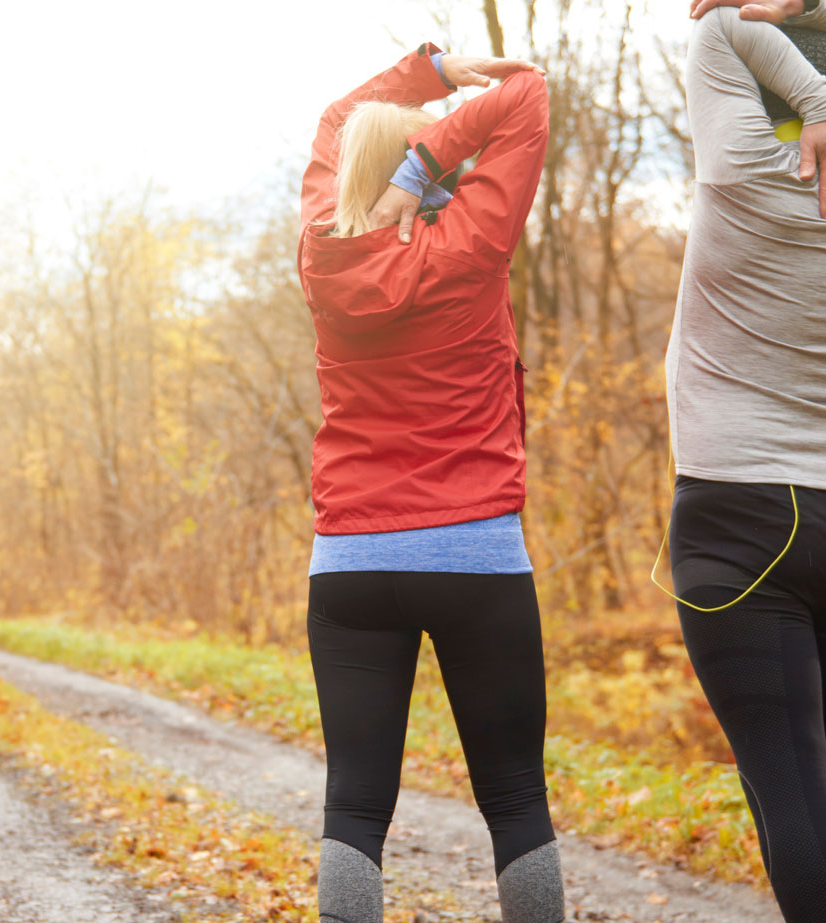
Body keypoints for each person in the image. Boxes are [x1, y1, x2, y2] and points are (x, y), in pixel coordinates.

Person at [661, 0, 826, 919]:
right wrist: (813, 24)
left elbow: (716, 29)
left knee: (793, 792)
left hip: (740, 520)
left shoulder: (741, 168)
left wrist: (805, 96)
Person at [296, 45, 561, 923]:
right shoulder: (470, 243)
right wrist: (431, 150)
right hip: (477, 551)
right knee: (517, 795)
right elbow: (527, 96)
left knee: (356, 804)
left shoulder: (322, 254)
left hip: (352, 560)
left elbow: (338, 119)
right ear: (416, 164)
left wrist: (432, 71)